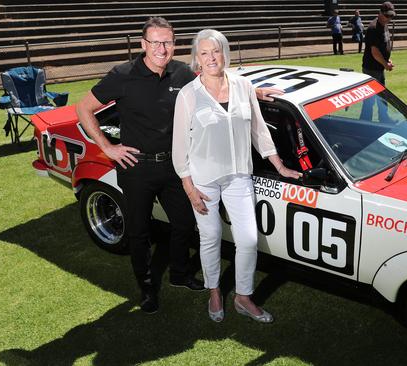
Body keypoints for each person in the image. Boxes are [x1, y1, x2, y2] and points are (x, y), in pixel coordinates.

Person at [76, 17, 282, 314]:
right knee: (139, 231)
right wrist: (107, 147)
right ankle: (147, 288)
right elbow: (84, 109)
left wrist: (255, 93)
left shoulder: (182, 72)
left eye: (168, 42)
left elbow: (216, 77)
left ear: (174, 44)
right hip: (137, 168)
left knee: (185, 225)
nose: (162, 48)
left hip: (176, 168)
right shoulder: (122, 75)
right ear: (143, 44)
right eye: (155, 42)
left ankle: (180, 274)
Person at [172, 29, 302, 323]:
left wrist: (279, 166)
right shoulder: (188, 95)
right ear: (197, 59)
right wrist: (188, 186)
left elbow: (258, 129)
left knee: (247, 239)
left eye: (215, 51)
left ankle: (243, 297)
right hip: (203, 179)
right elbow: (179, 145)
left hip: (239, 176)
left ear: (224, 53)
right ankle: (214, 291)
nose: (210, 58)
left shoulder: (243, 85)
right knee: (211, 236)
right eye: (204, 53)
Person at [360, 2, 395, 122]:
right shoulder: (373, 28)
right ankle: (365, 122)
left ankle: (383, 119)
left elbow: (383, 46)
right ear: (380, 13)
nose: (389, 19)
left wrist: (386, 60)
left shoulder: (384, 24)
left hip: (379, 67)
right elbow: (375, 52)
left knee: (382, 96)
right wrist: (386, 64)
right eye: (387, 16)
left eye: (391, 16)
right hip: (371, 68)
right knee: (370, 99)